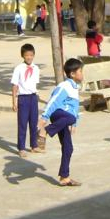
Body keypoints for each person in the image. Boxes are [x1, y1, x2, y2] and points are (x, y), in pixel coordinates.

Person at [37, 58, 84, 186]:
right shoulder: (64, 86)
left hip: (65, 119)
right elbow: (53, 101)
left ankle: (64, 177)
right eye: (80, 71)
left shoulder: (75, 88)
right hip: (58, 114)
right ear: (72, 74)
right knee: (71, 118)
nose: (82, 74)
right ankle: (45, 131)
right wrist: (44, 117)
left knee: (68, 147)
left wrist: (74, 124)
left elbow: (74, 109)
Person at [11, 43, 42, 158]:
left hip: (33, 97)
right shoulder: (18, 68)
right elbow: (15, 86)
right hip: (23, 98)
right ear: (22, 56)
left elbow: (34, 84)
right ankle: (21, 148)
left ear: (34, 55)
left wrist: (37, 97)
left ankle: (34, 145)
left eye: (31, 55)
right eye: (26, 55)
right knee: (22, 124)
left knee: (34, 123)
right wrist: (14, 102)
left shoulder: (36, 68)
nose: (29, 57)